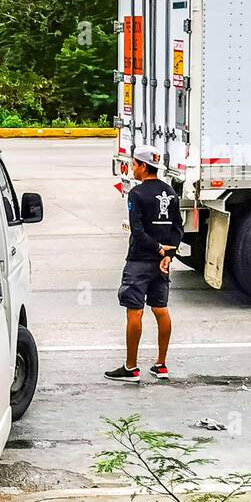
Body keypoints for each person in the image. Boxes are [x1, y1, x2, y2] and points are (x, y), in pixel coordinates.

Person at [105, 145, 184, 382]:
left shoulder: (136, 194)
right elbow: (178, 227)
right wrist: (168, 254)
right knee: (161, 309)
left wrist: (157, 249)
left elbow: (137, 231)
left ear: (141, 165)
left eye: (133, 164)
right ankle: (161, 365)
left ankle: (130, 368)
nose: (132, 168)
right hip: (162, 263)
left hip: (139, 260)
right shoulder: (170, 192)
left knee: (135, 311)